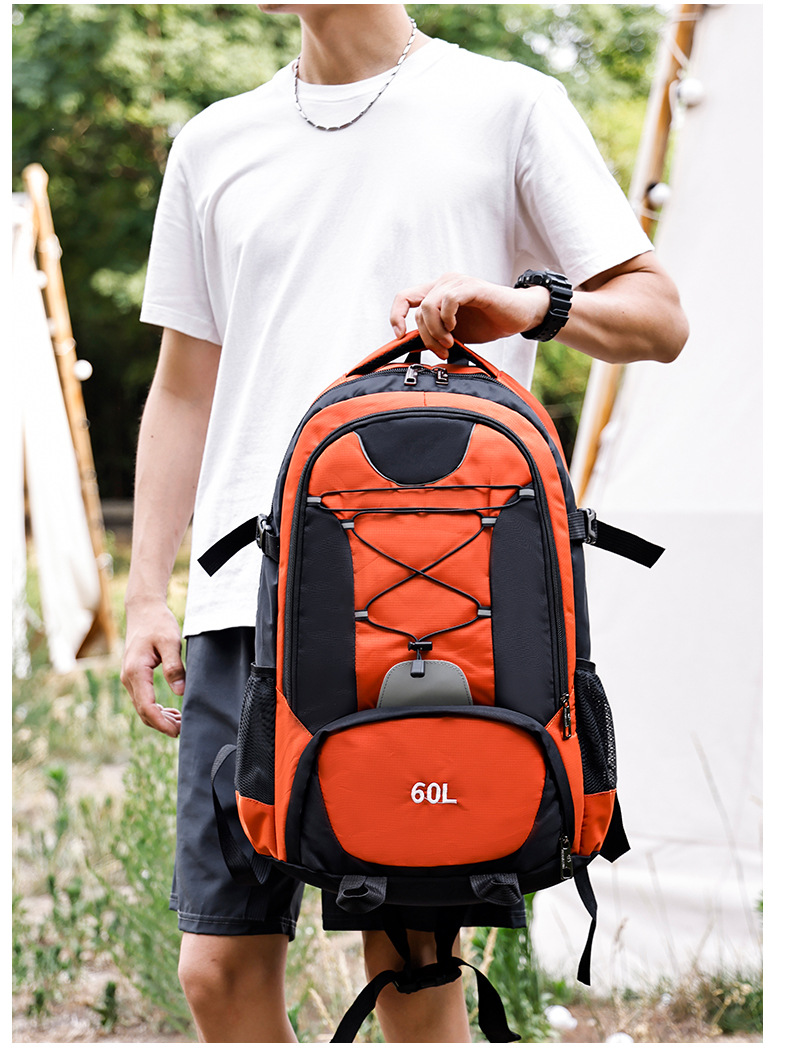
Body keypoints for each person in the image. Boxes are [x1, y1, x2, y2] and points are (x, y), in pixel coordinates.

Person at [121, 3, 688, 1044]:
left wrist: (531, 305)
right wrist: (145, 592)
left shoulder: (508, 104)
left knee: (413, 969)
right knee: (218, 965)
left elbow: (659, 317)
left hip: (432, 600)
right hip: (243, 599)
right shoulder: (214, 140)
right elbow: (184, 385)